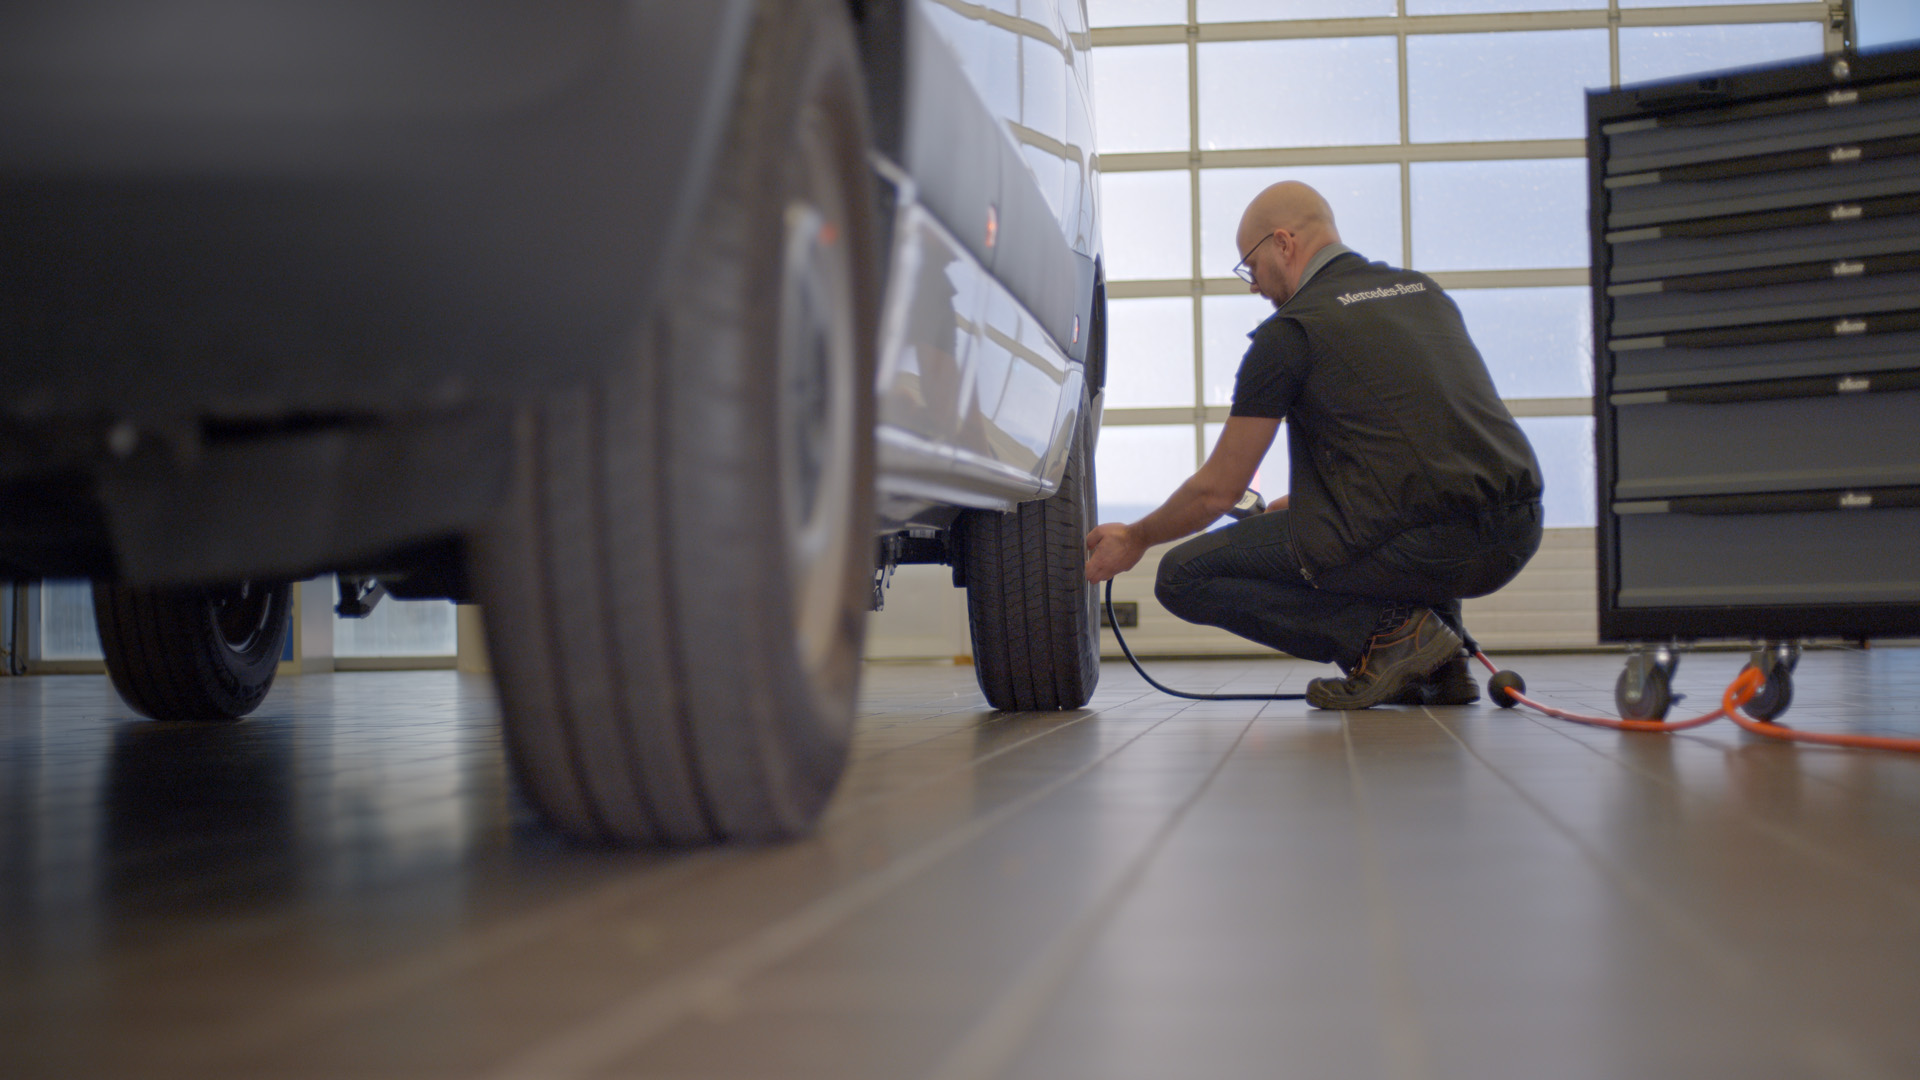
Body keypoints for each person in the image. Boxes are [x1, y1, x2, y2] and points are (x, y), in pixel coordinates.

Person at [1084, 181, 1543, 709]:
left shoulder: (1291, 332)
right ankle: (1439, 668)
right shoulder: (1422, 293)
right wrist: (1314, 508)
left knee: (1183, 576)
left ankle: (1391, 640)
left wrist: (1137, 537)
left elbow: (1217, 491)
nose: (1254, 286)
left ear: (1283, 243)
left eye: (1251, 267)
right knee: (1399, 522)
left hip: (1420, 541)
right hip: (1515, 531)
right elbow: (1423, 443)